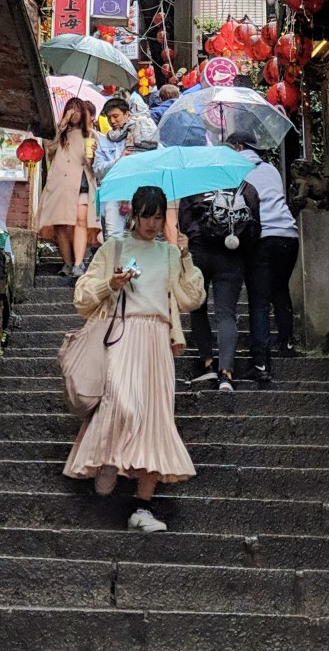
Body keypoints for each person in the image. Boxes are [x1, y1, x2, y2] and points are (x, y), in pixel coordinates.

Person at [64, 185, 205, 532]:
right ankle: (109, 458)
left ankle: (142, 507)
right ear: (134, 215)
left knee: (156, 419)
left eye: (159, 217)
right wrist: (110, 284)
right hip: (123, 335)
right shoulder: (115, 248)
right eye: (147, 216)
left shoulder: (170, 254)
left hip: (158, 340)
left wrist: (186, 257)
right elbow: (82, 299)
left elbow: (192, 299)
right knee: (123, 404)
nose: (153, 224)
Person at [179, 179, 261, 393]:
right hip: (232, 255)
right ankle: (227, 373)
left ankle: (208, 362)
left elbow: (184, 223)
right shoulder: (246, 188)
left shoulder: (194, 187)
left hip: (200, 253)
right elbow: (254, 227)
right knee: (226, 313)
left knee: (197, 305)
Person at [231, 139, 300, 387]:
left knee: (259, 301)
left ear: (239, 148)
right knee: (280, 288)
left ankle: (261, 363)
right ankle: (287, 342)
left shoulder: (236, 170)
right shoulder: (271, 169)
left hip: (261, 237)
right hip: (289, 235)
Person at [37, 98, 100, 281]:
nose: (74, 113)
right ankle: (67, 261)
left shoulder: (91, 135)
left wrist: (93, 155)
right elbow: (49, 149)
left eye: (77, 110)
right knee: (60, 223)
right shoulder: (59, 132)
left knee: (81, 220)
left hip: (81, 182)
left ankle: (79, 263)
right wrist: (62, 125)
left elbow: (94, 162)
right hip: (60, 183)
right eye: (70, 109)